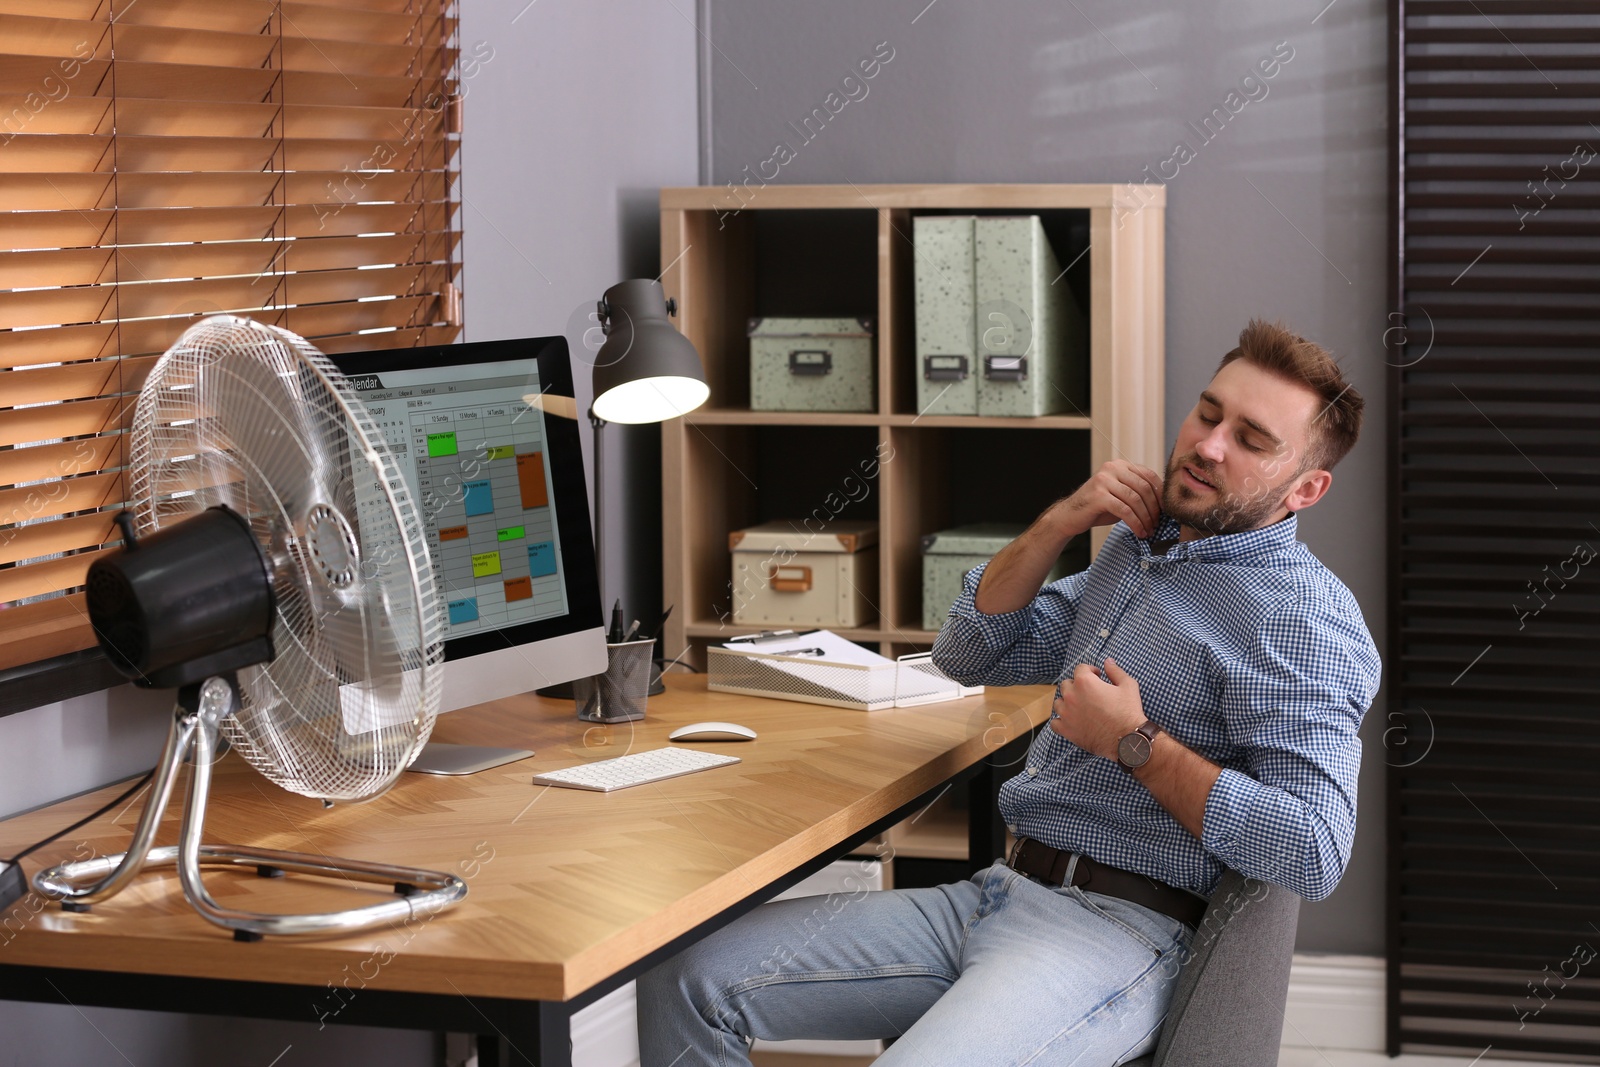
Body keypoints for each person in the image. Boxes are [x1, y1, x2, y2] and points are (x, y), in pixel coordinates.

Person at [637, 320, 1382, 1067]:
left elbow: (1314, 848)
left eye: (1253, 440)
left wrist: (1135, 743)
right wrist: (1062, 520)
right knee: (688, 976)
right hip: (999, 892)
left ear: (1306, 488)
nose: (1209, 444)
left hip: (1118, 932)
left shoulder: (1301, 621)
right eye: (1209, 412)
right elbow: (970, 652)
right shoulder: (1141, 547)